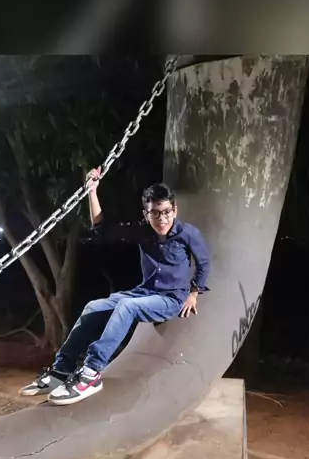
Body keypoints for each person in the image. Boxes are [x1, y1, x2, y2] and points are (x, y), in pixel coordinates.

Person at [19, 168, 210, 405]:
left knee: (127, 307)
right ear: (146, 214)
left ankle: (91, 373)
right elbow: (101, 228)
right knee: (93, 306)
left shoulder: (188, 234)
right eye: (154, 213)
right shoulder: (142, 230)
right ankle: (61, 370)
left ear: (175, 210)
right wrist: (92, 191)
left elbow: (203, 263)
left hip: (171, 298)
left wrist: (194, 293)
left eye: (166, 212)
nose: (162, 219)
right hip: (144, 292)